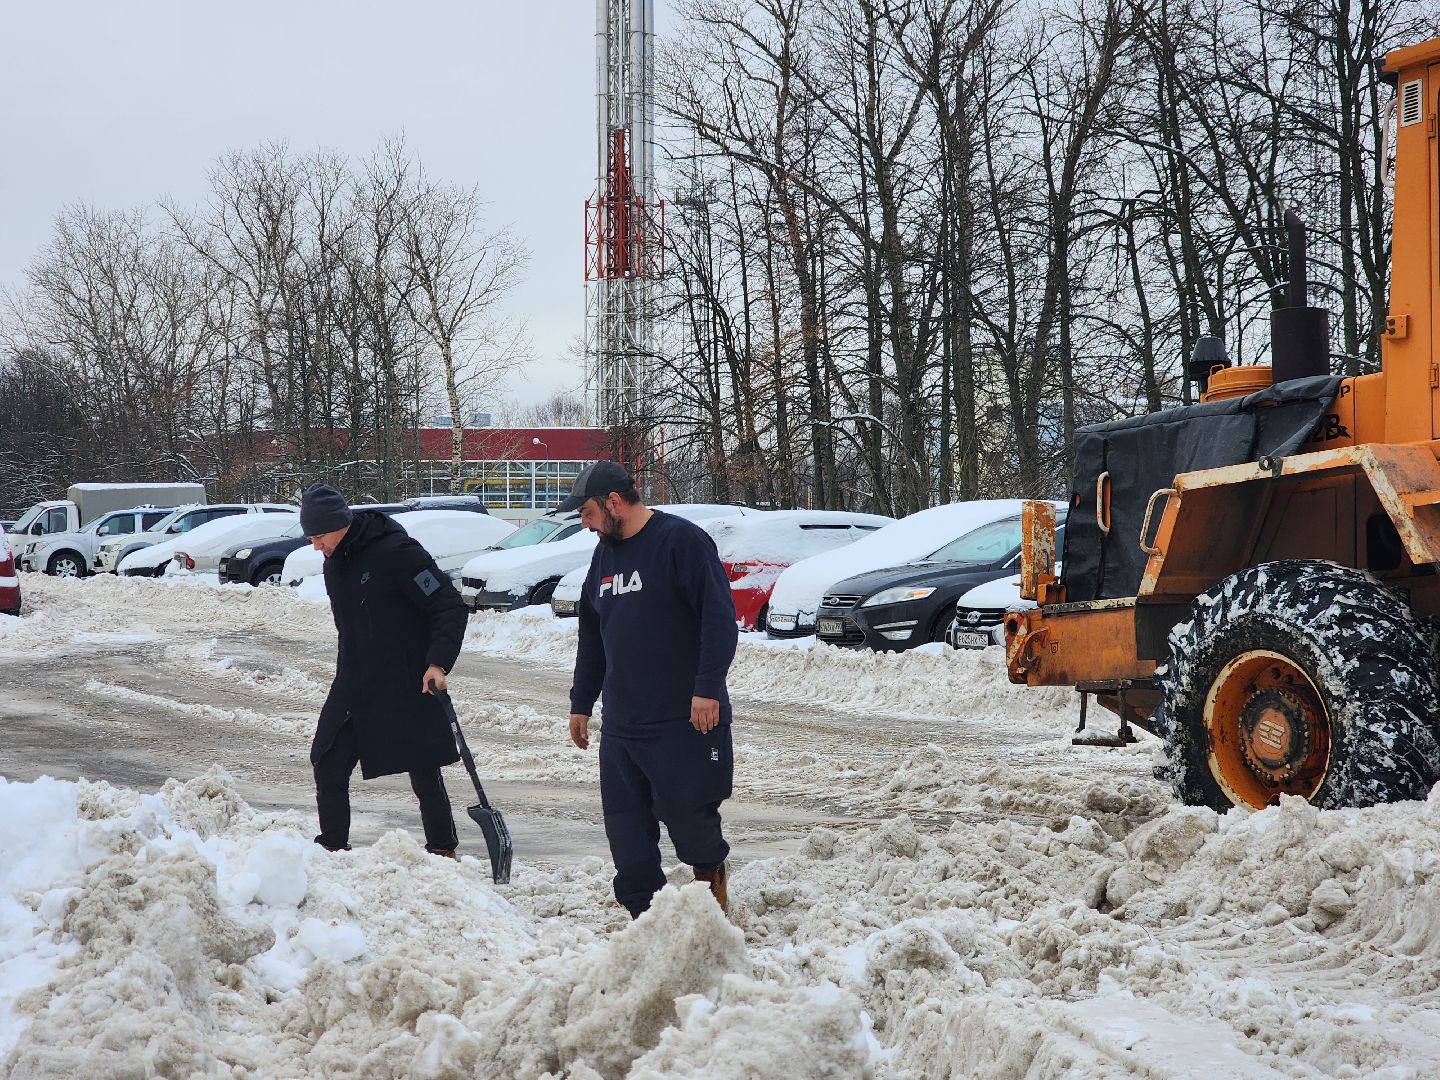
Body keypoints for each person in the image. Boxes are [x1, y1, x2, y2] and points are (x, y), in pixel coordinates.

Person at [565, 462, 740, 918]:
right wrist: (581, 702)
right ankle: (644, 914)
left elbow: (718, 619)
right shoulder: (603, 556)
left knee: (690, 817)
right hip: (624, 722)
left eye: (587, 513)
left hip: (683, 716)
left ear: (614, 503)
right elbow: (593, 635)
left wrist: (707, 688)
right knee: (626, 829)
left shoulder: (681, 542)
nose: (585, 526)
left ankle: (709, 889)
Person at [302, 483, 468, 858]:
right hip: (356, 681)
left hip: (407, 680)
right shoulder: (336, 563)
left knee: (423, 769)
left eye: (319, 536)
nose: (316, 547)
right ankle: (331, 849)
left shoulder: (397, 553)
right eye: (310, 538)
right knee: (327, 759)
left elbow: (448, 606)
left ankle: (442, 851)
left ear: (340, 524)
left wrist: (438, 663)